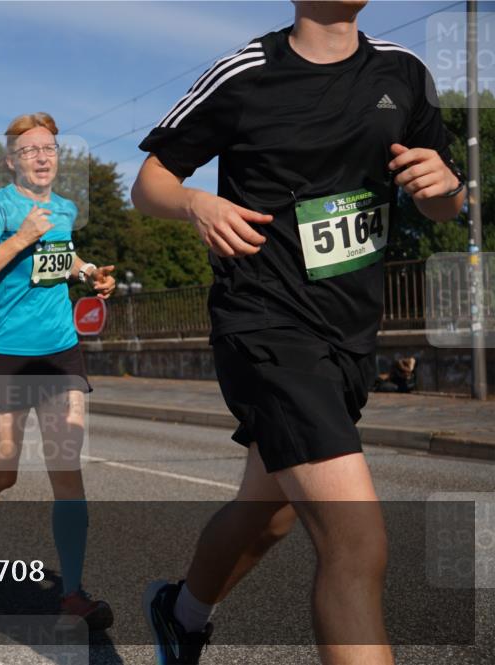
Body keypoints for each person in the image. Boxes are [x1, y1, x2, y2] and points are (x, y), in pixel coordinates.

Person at [131, 3, 464, 663]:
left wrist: (447, 187)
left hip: (348, 332)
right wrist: (198, 203)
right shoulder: (246, 72)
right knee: (356, 538)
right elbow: (150, 183)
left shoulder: (405, 73)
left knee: (271, 510)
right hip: (264, 321)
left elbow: (442, 197)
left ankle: (182, 612)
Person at [0, 112, 117, 629]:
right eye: (30, 150)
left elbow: (59, 258)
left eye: (49, 148)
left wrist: (87, 273)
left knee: (67, 471)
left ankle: (72, 592)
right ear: (10, 161)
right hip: (5, 352)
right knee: (4, 468)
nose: (42, 157)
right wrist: (19, 237)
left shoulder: (65, 208)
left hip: (59, 351)